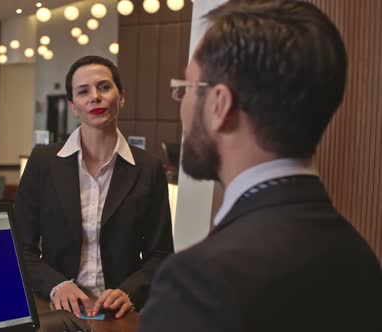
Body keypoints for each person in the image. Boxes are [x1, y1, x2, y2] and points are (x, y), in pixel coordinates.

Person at [139, 0, 382, 331]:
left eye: (186, 89)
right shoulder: (360, 258)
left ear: (219, 105)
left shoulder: (198, 281)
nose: (182, 107)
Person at [15, 55, 174, 319]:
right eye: (83, 91)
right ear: (73, 106)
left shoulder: (148, 167)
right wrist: (57, 285)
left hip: (120, 311)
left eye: (104, 87)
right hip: (57, 308)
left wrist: (129, 292)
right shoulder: (43, 162)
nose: (95, 97)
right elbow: (20, 246)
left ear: (121, 96)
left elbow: (161, 254)